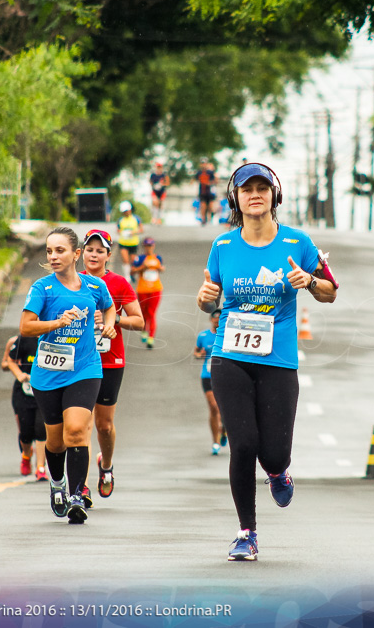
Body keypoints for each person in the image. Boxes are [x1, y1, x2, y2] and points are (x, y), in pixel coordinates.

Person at [196, 162, 339, 561]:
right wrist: (205, 297)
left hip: (278, 361)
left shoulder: (297, 243)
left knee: (273, 451)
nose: (254, 194)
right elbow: (208, 299)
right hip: (229, 356)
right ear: (235, 198)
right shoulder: (223, 246)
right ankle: (246, 533)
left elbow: (330, 291)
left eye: (262, 188)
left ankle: (278, 473)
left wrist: (309, 282)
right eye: (246, 189)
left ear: (275, 196)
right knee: (242, 444)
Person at [20, 227, 116, 524]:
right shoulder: (42, 288)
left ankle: (76, 494)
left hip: (85, 368)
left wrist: (109, 325)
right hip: (47, 373)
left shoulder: (94, 286)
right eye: (49, 251)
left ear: (76, 254)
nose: (53, 256)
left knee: (76, 430)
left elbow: (110, 308)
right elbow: (26, 327)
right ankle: (58, 483)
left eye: (60, 250)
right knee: (56, 441)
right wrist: (56, 323)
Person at [80, 229, 145, 501]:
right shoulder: (70, 282)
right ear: (81, 252)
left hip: (110, 360)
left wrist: (114, 320)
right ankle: (79, 485)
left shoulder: (118, 283)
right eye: (89, 249)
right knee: (79, 424)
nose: (94, 255)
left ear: (109, 255)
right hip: (78, 361)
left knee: (103, 426)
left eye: (99, 250)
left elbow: (139, 321)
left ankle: (106, 466)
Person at [2, 334, 48, 481]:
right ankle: (26, 455)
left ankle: (41, 467)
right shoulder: (24, 338)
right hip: (24, 391)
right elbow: (10, 360)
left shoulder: (53, 337)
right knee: (26, 431)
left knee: (42, 429)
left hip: (44, 390)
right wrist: (20, 375)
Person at [193, 309, 226, 455]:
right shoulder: (203, 335)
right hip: (207, 376)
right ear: (211, 319)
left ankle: (224, 428)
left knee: (225, 409)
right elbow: (196, 351)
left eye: (220, 318)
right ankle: (215, 442)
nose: (217, 320)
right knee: (214, 407)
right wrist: (199, 354)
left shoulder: (228, 335)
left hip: (226, 377)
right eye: (215, 318)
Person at [131, 237, 164, 349]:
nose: (149, 248)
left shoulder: (157, 257)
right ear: (144, 247)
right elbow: (132, 271)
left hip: (156, 289)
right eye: (147, 246)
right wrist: (142, 268)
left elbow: (162, 268)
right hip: (143, 289)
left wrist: (159, 268)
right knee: (144, 311)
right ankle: (144, 329)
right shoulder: (139, 258)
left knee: (151, 313)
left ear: (153, 246)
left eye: (150, 245)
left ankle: (151, 337)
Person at [115, 200, 144, 282]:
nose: (125, 213)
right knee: (125, 260)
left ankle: (132, 275)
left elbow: (141, 229)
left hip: (133, 243)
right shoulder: (120, 220)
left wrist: (133, 232)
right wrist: (123, 233)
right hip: (123, 242)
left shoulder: (136, 219)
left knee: (133, 261)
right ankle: (127, 277)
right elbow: (118, 230)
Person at [195, 160, 217, 225]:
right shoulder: (199, 172)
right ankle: (203, 219)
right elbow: (196, 179)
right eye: (202, 164)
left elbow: (214, 181)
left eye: (204, 164)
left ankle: (210, 216)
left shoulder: (210, 172)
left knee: (210, 206)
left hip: (209, 191)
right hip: (202, 191)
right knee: (203, 205)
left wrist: (208, 183)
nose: (203, 165)